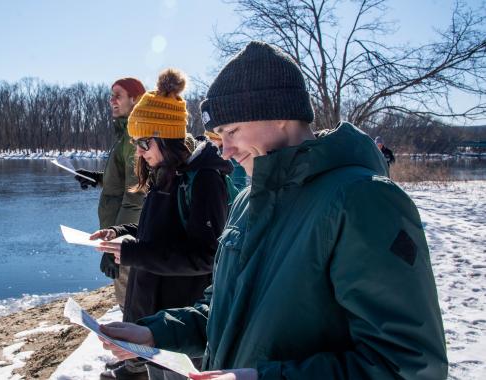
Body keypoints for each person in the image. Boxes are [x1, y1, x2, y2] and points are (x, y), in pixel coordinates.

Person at [98, 41, 448, 380]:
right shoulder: (247, 201)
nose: (226, 151)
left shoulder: (363, 201)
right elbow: (224, 309)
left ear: (280, 115)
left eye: (232, 131)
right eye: (219, 136)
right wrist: (157, 334)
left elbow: (408, 365)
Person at [92, 69, 232, 380]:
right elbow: (155, 234)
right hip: (153, 312)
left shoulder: (204, 179)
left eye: (144, 142)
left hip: (181, 321)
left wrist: (134, 254)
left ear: (167, 137)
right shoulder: (164, 172)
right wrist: (121, 233)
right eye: (135, 142)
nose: (139, 151)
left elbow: (206, 256)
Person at [74, 77, 146, 312]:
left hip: (127, 239)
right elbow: (124, 180)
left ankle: (136, 348)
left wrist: (117, 244)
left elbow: (135, 196)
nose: (111, 100)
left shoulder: (134, 137)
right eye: (111, 95)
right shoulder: (125, 134)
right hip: (123, 236)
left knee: (131, 308)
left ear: (135, 99)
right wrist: (97, 178)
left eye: (118, 95)